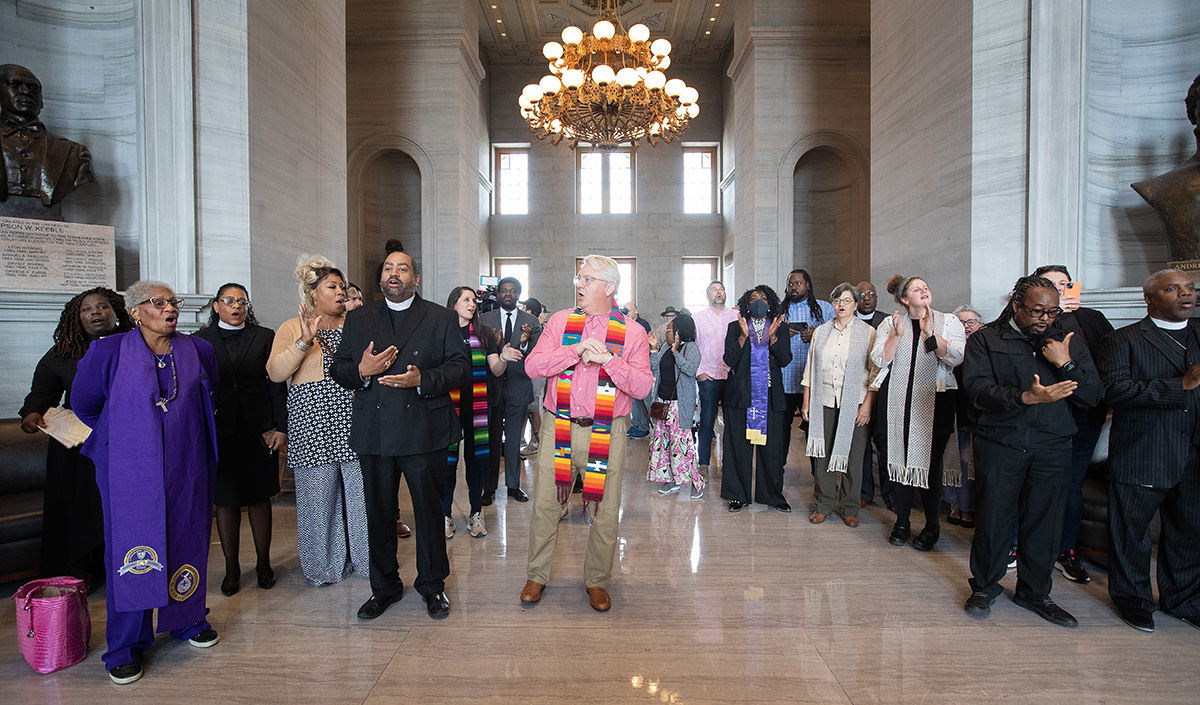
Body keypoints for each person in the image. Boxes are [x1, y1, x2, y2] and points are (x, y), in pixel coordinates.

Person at [72, 280, 220, 684]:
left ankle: (187, 619)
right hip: (129, 471)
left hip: (187, 465)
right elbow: (84, 404)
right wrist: (124, 437)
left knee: (187, 536)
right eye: (158, 303)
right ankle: (126, 644)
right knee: (131, 551)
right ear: (136, 311)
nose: (169, 309)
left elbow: (210, 394)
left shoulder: (198, 349)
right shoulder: (108, 351)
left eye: (173, 302)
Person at [330, 249, 469, 620]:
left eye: (402, 268)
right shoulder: (359, 318)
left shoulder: (440, 317)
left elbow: (460, 368)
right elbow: (339, 369)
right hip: (374, 430)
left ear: (415, 279)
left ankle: (432, 586)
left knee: (426, 513)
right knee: (377, 513)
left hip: (424, 428)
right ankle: (384, 587)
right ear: (381, 279)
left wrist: (422, 379)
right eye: (388, 268)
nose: (394, 273)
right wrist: (361, 368)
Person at [962, 276, 1102, 628]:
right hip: (1002, 443)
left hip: (1052, 444)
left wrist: (1065, 363)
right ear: (1015, 306)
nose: (1045, 318)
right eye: (1037, 311)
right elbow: (977, 391)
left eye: (1052, 312)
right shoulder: (985, 339)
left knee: (1045, 520)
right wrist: (1025, 397)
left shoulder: (1066, 341)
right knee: (994, 517)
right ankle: (985, 586)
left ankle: (1035, 592)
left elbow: (1093, 396)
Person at [521, 255, 653, 612]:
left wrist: (609, 360)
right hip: (558, 427)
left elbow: (642, 386)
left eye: (588, 279)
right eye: (579, 278)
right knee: (546, 506)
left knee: (605, 511)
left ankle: (597, 580)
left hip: (607, 431)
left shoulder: (633, 332)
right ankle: (537, 575)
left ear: (609, 288)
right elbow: (532, 365)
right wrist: (573, 351)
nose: (579, 285)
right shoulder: (562, 322)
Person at [1097, 268, 1200, 633]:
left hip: (1194, 452)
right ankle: (1134, 600)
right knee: (1132, 533)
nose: (1186, 294)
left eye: (1189, 288)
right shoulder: (1124, 339)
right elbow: (1114, 391)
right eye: (1173, 289)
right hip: (1145, 450)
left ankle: (1183, 599)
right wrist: (1180, 385)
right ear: (1150, 297)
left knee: (1190, 531)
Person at [266, 255, 369, 586]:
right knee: (317, 498)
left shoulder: (357, 326)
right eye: (332, 286)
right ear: (312, 294)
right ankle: (323, 567)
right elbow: (276, 372)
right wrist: (303, 342)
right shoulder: (291, 327)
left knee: (361, 495)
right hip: (311, 420)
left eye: (343, 286)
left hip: (355, 417)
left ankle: (368, 562)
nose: (341, 292)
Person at [19, 287, 132, 585]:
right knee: (79, 508)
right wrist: (32, 414)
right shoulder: (64, 351)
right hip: (77, 445)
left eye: (102, 306)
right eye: (86, 309)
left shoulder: (135, 346)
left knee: (119, 507)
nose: (94, 312)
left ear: (117, 313)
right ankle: (79, 571)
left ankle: (125, 567)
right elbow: (42, 393)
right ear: (76, 317)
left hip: (126, 439)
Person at [194, 284, 286, 596]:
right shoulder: (199, 340)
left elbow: (276, 384)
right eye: (229, 301)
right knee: (226, 501)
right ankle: (232, 568)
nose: (236, 306)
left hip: (259, 429)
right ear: (216, 305)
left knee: (260, 498)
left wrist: (280, 427)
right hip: (219, 430)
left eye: (242, 301)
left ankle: (263, 563)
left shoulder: (263, 336)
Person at [1032, 264, 1114, 585]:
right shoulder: (1031, 320)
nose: (1061, 290)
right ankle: (1028, 545)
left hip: (1086, 415)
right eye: (1052, 284)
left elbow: (1108, 362)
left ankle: (1066, 550)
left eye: (1064, 284)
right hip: (1046, 414)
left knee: (1072, 484)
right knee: (1038, 480)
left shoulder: (1092, 319)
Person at [870, 274, 965, 551]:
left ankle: (932, 527)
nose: (924, 291)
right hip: (899, 401)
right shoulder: (891, 323)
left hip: (936, 401)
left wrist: (928, 333)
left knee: (931, 467)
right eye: (916, 289)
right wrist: (898, 337)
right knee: (899, 460)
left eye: (926, 287)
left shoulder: (948, 321)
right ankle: (902, 522)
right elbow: (879, 359)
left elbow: (956, 356)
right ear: (904, 299)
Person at [802, 283, 879, 527]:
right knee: (821, 456)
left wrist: (867, 405)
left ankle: (849, 507)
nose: (841, 304)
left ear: (855, 305)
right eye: (837, 300)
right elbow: (810, 369)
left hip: (854, 402)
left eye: (847, 300)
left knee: (853, 457)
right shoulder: (821, 332)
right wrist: (806, 402)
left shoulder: (868, 333)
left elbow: (875, 373)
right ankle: (823, 505)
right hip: (822, 400)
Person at [444, 285, 512, 539]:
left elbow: (495, 369)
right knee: (447, 464)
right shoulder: (442, 331)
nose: (472, 304)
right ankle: (445, 515)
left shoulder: (483, 334)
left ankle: (475, 514)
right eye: (466, 300)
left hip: (478, 407)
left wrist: (503, 357)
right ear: (454, 303)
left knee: (476, 462)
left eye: (474, 300)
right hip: (448, 407)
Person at [721, 285, 793, 513]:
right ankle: (738, 495)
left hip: (770, 396)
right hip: (741, 395)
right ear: (746, 304)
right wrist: (743, 336)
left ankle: (772, 495)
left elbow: (785, 360)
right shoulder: (735, 327)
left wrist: (772, 339)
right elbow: (729, 358)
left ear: (770, 303)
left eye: (763, 298)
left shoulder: (780, 328)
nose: (758, 302)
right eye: (753, 299)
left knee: (771, 449)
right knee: (738, 448)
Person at [0, 64, 94, 214]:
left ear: (41, 101)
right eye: (15, 85)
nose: (26, 92)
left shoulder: (75, 153)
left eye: (33, 88)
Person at [481, 277, 540, 504]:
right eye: (504, 290)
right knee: (492, 441)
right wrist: (496, 346)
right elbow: (482, 351)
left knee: (515, 441)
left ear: (519, 294)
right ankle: (489, 488)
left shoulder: (531, 321)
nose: (508, 294)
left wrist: (524, 343)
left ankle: (514, 486)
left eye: (513, 291)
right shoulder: (485, 319)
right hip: (492, 388)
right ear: (498, 294)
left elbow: (537, 354)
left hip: (518, 386)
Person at [780, 269, 835, 464]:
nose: (793, 287)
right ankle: (777, 476)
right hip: (785, 380)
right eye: (790, 284)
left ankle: (819, 477)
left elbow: (837, 337)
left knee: (815, 432)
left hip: (814, 382)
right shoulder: (780, 310)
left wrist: (815, 335)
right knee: (781, 433)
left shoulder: (825, 308)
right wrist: (782, 333)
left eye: (798, 283)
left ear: (808, 285)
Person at [647, 312, 703, 497]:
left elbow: (690, 370)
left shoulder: (691, 348)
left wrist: (676, 353)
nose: (666, 333)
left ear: (678, 332)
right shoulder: (665, 347)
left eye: (669, 330)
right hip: (663, 403)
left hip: (680, 406)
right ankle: (671, 480)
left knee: (682, 446)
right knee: (664, 444)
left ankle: (697, 482)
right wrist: (654, 350)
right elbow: (654, 369)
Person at [693, 281, 740, 484]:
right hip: (709, 376)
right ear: (707, 295)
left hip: (731, 376)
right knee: (706, 422)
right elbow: (693, 347)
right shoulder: (698, 319)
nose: (718, 292)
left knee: (732, 423)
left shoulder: (736, 316)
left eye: (721, 289)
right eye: (714, 289)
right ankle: (703, 464)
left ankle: (730, 464)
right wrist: (699, 372)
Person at [855, 280, 893, 511]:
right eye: (862, 294)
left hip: (884, 393)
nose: (867, 298)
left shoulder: (888, 322)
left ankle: (891, 495)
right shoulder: (850, 322)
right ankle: (864, 491)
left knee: (886, 445)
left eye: (871, 294)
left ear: (877, 298)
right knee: (861, 446)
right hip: (858, 391)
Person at [948, 304, 983, 529]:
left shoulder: (984, 349)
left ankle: (968, 507)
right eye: (961, 322)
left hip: (977, 417)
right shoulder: (951, 349)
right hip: (953, 414)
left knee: (968, 462)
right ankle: (954, 505)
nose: (966, 326)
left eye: (971, 322)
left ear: (980, 325)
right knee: (952, 462)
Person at [520, 297, 547, 459]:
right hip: (527, 374)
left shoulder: (535, 329)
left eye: (524, 308)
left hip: (534, 375)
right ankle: (523, 439)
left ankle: (536, 442)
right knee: (526, 408)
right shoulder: (530, 326)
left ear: (529, 311)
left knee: (533, 408)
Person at [625, 301, 656, 438]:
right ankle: (636, 424)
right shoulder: (625, 324)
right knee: (633, 398)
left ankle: (647, 426)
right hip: (630, 366)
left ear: (636, 311)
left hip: (642, 366)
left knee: (644, 398)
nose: (626, 313)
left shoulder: (642, 325)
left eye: (629, 310)